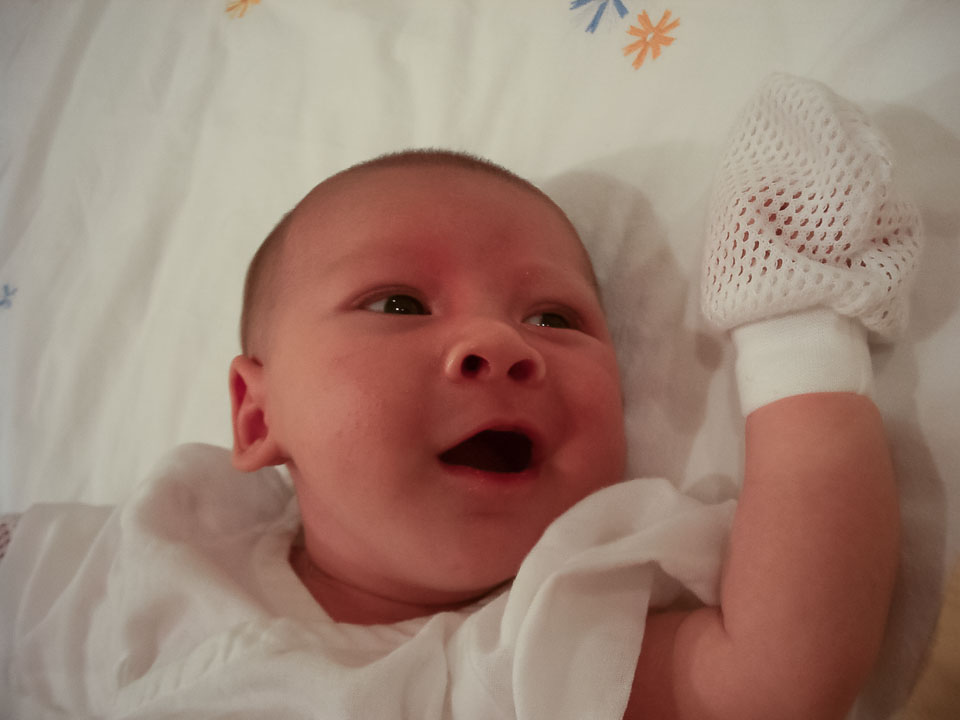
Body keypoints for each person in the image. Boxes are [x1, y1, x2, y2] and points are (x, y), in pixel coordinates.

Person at [0, 74, 921, 719]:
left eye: (555, 317)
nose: (503, 345)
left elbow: (777, 674)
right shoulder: (163, 541)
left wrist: (795, 326)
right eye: (398, 304)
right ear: (256, 414)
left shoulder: (519, 659)